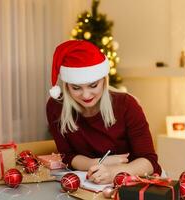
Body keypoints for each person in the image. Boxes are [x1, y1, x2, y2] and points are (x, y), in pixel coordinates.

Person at [46, 40, 162, 184]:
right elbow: (68, 156)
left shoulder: (127, 105)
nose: (86, 95)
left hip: (131, 183)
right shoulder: (56, 107)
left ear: (104, 80)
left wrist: (113, 172)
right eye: (76, 88)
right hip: (87, 185)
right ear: (66, 85)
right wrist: (96, 163)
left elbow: (149, 162)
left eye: (93, 85)